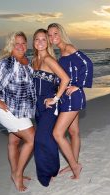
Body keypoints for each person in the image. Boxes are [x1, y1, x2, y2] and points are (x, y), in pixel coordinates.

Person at [0, 31, 36, 192]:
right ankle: (17, 175)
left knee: (14, 142)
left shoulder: (27, 61)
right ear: (10, 46)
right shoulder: (7, 62)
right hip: (8, 110)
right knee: (32, 139)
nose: (20, 46)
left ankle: (14, 171)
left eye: (23, 43)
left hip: (21, 109)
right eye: (16, 43)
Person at [47, 23, 93, 179]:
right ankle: (73, 163)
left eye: (55, 34)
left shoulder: (68, 47)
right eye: (50, 35)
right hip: (66, 97)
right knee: (73, 132)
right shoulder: (60, 52)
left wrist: (78, 85)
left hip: (74, 96)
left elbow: (87, 63)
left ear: (61, 34)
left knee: (57, 133)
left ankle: (75, 166)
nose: (52, 37)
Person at [32, 28, 70, 186]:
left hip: (49, 107)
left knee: (40, 139)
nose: (40, 42)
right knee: (48, 139)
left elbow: (65, 79)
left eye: (43, 39)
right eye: (37, 39)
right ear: (33, 42)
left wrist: (55, 98)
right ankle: (53, 169)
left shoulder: (48, 59)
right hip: (37, 106)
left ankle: (45, 175)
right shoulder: (34, 61)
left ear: (47, 42)